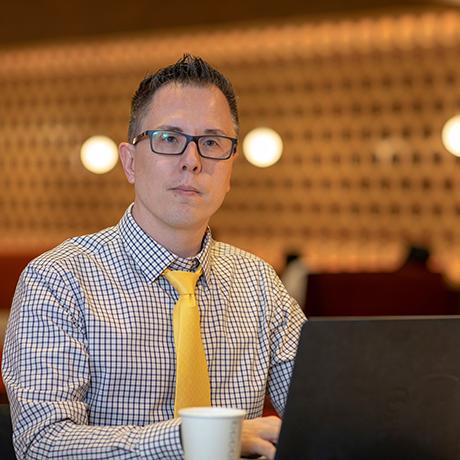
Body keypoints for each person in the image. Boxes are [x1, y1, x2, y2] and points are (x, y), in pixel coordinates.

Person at [2, 55, 306, 460]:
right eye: (169, 138)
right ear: (130, 162)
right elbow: (41, 444)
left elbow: (321, 413)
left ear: (230, 170)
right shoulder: (58, 279)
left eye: (212, 142)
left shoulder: (259, 283)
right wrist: (205, 438)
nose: (192, 161)